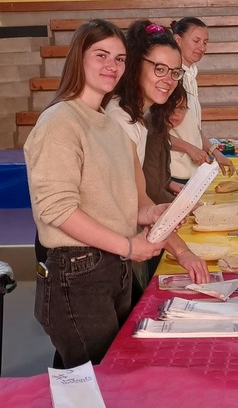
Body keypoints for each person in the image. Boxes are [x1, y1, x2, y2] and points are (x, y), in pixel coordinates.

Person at [24, 19, 171, 368]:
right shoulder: (60, 121)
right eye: (101, 55)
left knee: (101, 377)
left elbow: (116, 201)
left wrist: (150, 213)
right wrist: (129, 247)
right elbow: (58, 210)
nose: (112, 66)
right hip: (77, 271)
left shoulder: (110, 125)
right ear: (79, 57)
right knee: (98, 376)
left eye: (120, 59)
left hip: (112, 267)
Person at [106, 20, 209, 284]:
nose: (168, 80)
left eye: (174, 73)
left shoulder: (138, 118)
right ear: (135, 65)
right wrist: (182, 252)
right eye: (159, 68)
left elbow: (141, 198)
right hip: (105, 256)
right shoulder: (118, 119)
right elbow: (138, 200)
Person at [169, 16, 234, 180]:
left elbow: (193, 127)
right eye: (196, 41)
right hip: (171, 173)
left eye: (205, 42)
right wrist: (190, 149)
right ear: (177, 40)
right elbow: (153, 133)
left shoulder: (191, 75)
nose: (202, 47)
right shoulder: (170, 78)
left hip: (191, 172)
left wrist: (215, 152)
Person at [143, 85, 189, 205]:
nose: (176, 113)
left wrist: (168, 184)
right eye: (172, 106)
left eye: (182, 108)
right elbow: (153, 191)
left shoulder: (161, 131)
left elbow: (157, 178)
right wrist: (184, 205)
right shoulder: (152, 135)